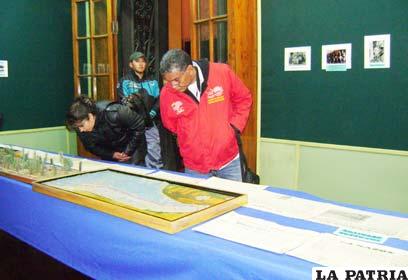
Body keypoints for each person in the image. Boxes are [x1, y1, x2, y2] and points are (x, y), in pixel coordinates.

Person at [159, 49, 252, 182]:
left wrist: (234, 127)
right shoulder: (167, 93)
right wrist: (189, 136)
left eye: (176, 79)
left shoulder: (222, 73)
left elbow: (244, 98)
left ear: (190, 70)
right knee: (198, 203)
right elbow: (170, 124)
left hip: (229, 161)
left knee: (235, 202)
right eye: (168, 81)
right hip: (195, 166)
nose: (173, 85)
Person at [66, 95, 146, 165]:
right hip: (110, 150)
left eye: (82, 126)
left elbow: (139, 126)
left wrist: (128, 151)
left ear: (90, 117)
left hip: (133, 143)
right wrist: (112, 154)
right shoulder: (79, 125)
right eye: (78, 127)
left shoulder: (115, 112)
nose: (81, 130)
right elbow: (91, 147)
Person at [117, 51, 163, 169]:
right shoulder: (125, 81)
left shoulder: (153, 81)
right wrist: (137, 118)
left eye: (143, 61)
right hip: (132, 124)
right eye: (137, 61)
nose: (141, 64)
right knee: (135, 154)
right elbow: (124, 101)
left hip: (150, 122)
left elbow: (159, 99)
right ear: (131, 64)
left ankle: (155, 175)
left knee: (155, 152)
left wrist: (152, 113)